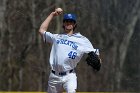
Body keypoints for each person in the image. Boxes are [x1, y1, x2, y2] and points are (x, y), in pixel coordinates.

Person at [39, 8, 100, 93]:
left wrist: (99, 61)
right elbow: (41, 30)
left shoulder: (82, 40)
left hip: (69, 75)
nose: (68, 23)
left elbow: (95, 53)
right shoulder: (57, 37)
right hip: (54, 76)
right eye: (66, 21)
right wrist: (52, 15)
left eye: (71, 21)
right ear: (63, 23)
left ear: (74, 24)